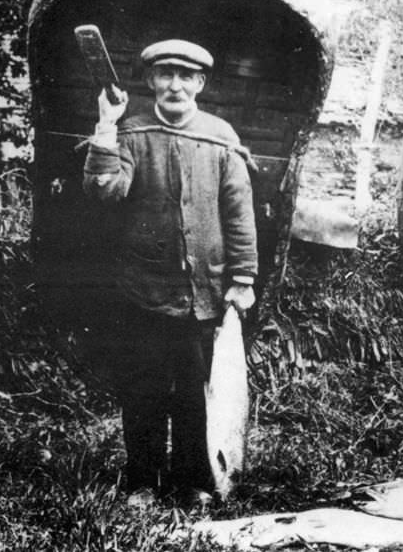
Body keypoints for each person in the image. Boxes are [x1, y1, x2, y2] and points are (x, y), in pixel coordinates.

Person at [83, 39, 258, 506]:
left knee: (197, 395)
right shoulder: (133, 133)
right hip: (145, 291)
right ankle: (143, 480)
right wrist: (106, 124)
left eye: (186, 76)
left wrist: (242, 278)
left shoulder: (221, 138)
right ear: (150, 81)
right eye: (165, 75)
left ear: (200, 83)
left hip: (205, 294)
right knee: (144, 389)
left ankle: (193, 481)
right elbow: (105, 191)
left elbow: (239, 213)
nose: (175, 85)